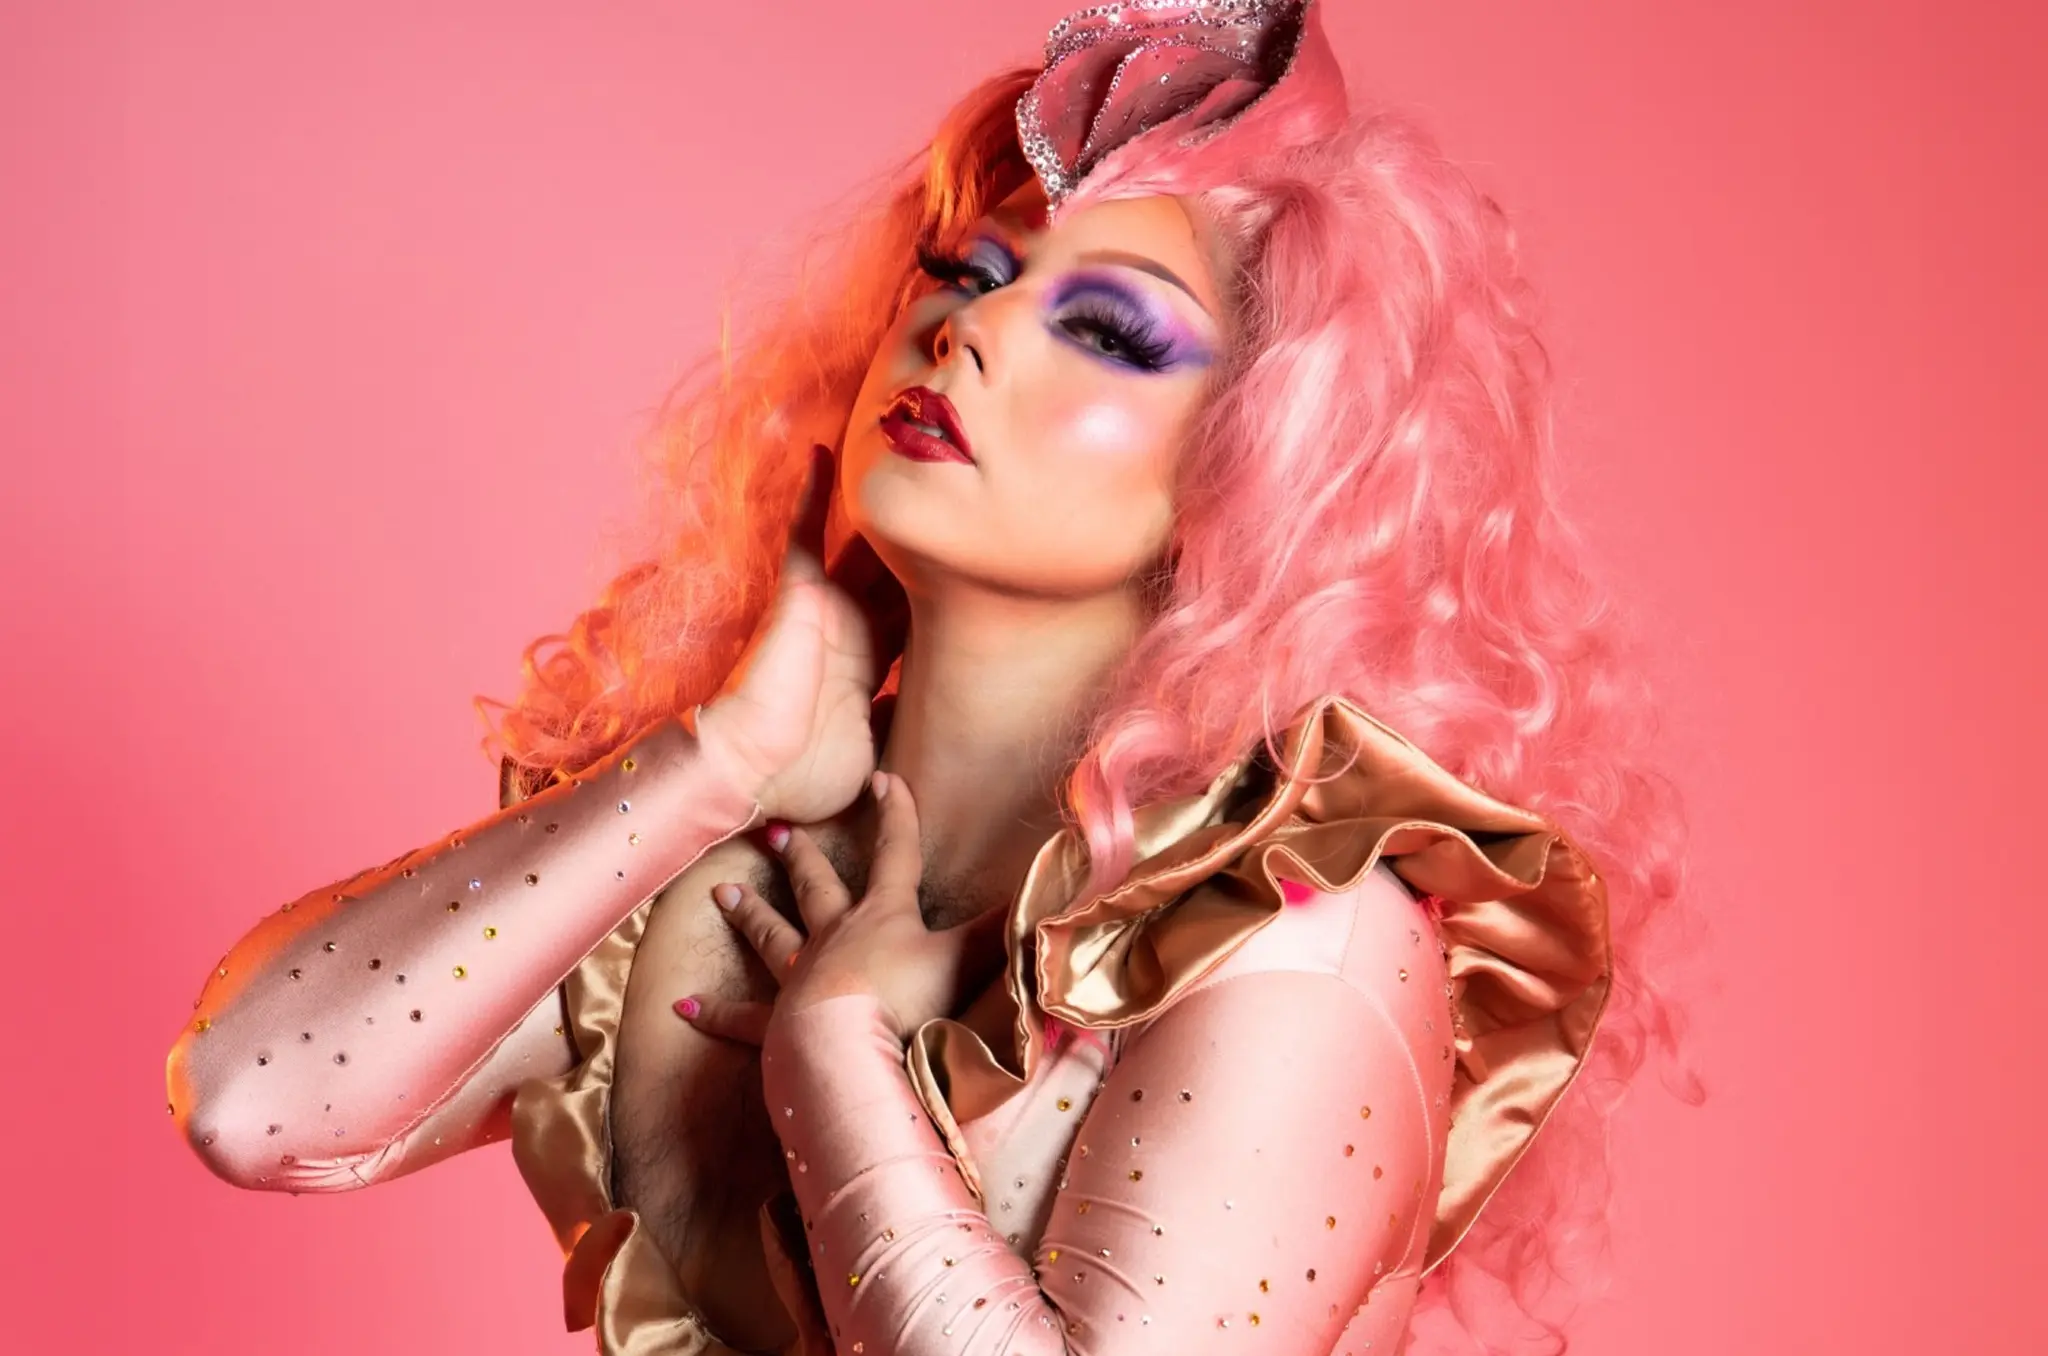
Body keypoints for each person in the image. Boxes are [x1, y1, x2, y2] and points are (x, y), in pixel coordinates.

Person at [165, 3, 1683, 1353]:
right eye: (966, 270)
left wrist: (835, 1057)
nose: (976, 329)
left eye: (1108, 331)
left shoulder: (1295, 924)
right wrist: (713, 764)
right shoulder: (739, 857)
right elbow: (252, 1104)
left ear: (1253, 465)